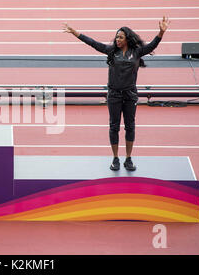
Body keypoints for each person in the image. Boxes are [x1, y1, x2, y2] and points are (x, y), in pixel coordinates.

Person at [63, 16, 170, 171]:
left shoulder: (137, 52)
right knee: (114, 127)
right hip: (114, 94)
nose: (117, 39)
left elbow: (153, 44)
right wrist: (75, 32)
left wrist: (161, 32)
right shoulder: (111, 51)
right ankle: (115, 158)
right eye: (116, 37)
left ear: (127, 39)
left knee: (130, 126)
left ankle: (128, 159)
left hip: (130, 95)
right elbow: (93, 43)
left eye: (120, 37)